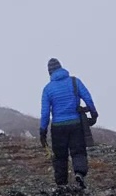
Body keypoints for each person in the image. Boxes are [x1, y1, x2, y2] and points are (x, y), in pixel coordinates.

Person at [39, 58, 98, 188]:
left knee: (60, 156)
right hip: (76, 124)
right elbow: (87, 97)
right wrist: (93, 113)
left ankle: (62, 184)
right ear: (61, 68)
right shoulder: (74, 82)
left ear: (50, 72)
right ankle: (79, 174)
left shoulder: (48, 89)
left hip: (58, 127)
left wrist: (42, 131)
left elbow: (45, 114)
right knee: (78, 151)